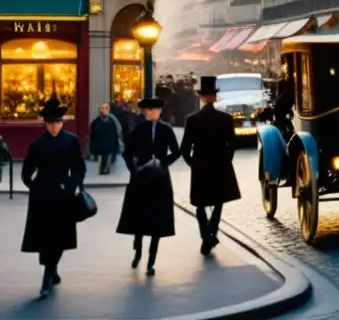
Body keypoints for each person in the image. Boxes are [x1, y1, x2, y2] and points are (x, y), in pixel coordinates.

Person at [21, 96, 86, 297]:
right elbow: (26, 171)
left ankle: (48, 276)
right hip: (42, 197)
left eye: (57, 123)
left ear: (62, 123)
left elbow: (79, 168)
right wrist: (34, 185)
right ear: (45, 124)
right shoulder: (37, 145)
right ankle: (52, 270)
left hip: (63, 196)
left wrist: (72, 186)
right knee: (45, 237)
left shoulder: (71, 141)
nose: (54, 127)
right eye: (50, 124)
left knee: (58, 235)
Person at [117, 96, 180, 276]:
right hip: (141, 178)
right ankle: (138, 251)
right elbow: (127, 153)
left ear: (160, 111)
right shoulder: (138, 130)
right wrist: (133, 169)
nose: (152, 113)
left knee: (157, 222)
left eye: (156, 110)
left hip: (160, 179)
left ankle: (151, 261)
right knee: (140, 218)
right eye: (149, 110)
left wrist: (163, 163)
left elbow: (176, 152)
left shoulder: (166, 130)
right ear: (145, 112)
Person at [180, 77, 241, 255]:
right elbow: (232, 144)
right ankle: (211, 233)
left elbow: (185, 148)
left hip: (200, 164)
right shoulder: (225, 119)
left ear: (201, 97)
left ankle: (207, 236)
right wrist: (226, 160)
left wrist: (192, 163)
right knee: (218, 202)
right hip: (220, 164)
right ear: (214, 98)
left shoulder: (192, 120)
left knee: (200, 204)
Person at [89, 102, 122, 175]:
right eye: (103, 108)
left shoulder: (112, 120)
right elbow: (93, 133)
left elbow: (117, 130)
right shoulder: (96, 122)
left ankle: (105, 168)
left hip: (109, 143)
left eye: (106, 108)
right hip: (101, 143)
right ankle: (103, 168)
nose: (104, 110)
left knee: (107, 155)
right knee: (103, 156)